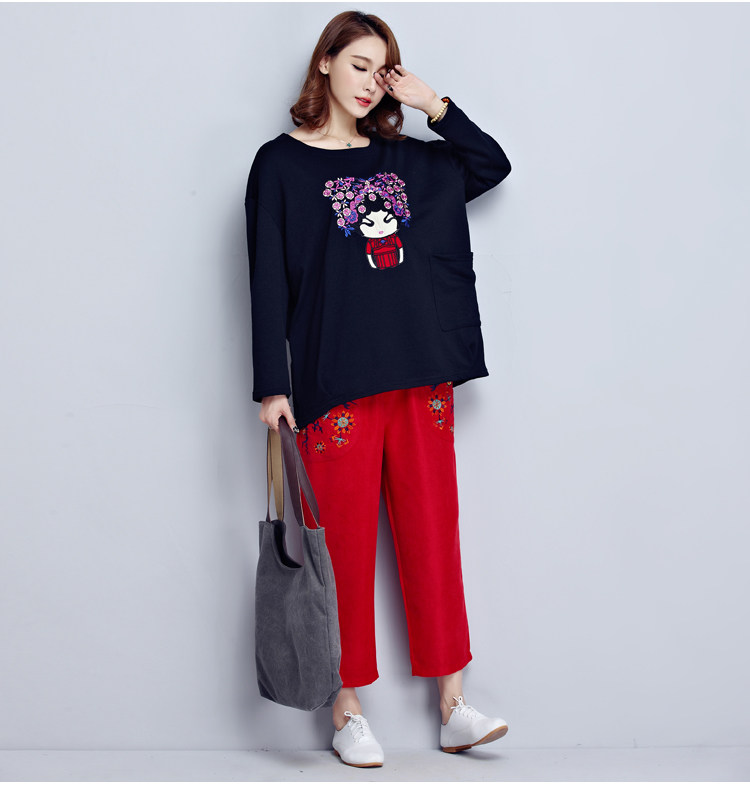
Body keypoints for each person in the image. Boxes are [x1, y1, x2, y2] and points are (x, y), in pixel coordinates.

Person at [245, 10, 512, 768]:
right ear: (325, 63)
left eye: (382, 69)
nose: (370, 82)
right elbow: (266, 281)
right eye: (358, 64)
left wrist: (432, 103)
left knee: (433, 534)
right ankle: (347, 708)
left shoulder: (413, 162)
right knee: (342, 548)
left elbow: (490, 165)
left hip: (420, 376)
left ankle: (453, 705)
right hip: (334, 382)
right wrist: (272, 386)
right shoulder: (280, 165)